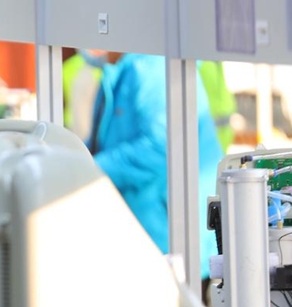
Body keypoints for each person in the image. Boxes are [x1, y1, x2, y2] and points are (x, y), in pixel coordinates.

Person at [82, 50, 223, 284]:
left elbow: (162, 146)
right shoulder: (119, 70)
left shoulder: (155, 69)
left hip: (172, 234)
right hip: (149, 230)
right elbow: (103, 139)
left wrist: (90, 169)